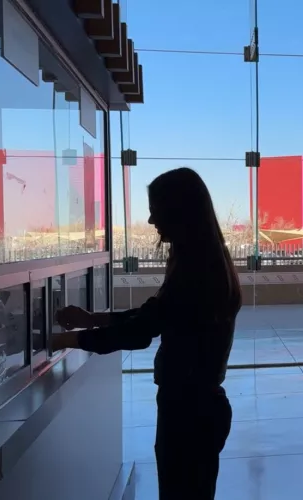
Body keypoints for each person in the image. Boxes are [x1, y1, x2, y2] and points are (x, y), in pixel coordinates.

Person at [52, 168, 242, 500]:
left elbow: (142, 331)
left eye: (156, 210)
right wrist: (92, 320)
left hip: (188, 414)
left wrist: (67, 340)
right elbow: (154, 314)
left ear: (178, 211)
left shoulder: (194, 270)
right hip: (199, 409)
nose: (152, 219)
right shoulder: (205, 261)